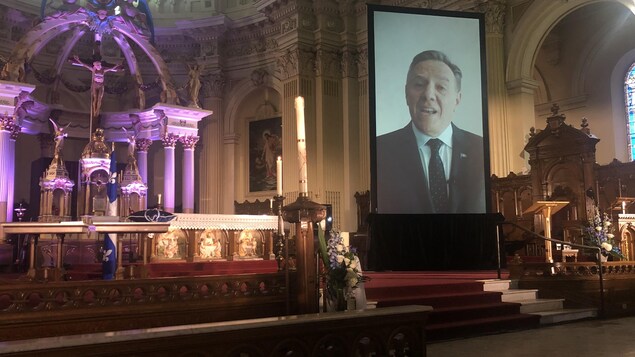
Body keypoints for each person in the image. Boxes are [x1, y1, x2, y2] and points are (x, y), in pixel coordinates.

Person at [376, 50, 485, 214]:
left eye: (441, 87)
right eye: (419, 85)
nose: (428, 95)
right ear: (406, 93)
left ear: (457, 99)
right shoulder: (381, 149)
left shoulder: (480, 148)